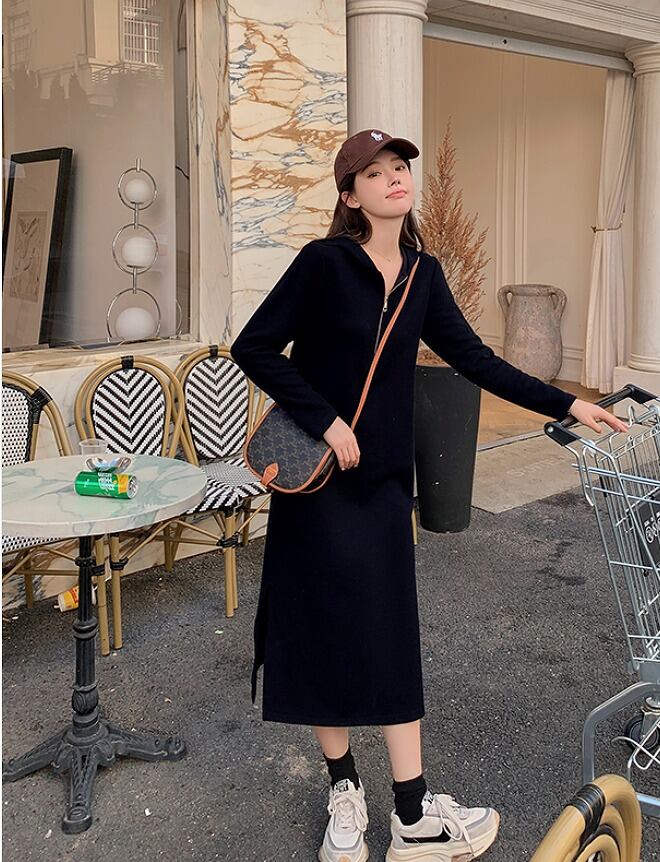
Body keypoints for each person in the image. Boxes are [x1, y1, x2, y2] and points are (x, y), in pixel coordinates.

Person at [230, 129, 628, 862]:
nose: (394, 179)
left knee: (388, 636)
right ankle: (344, 790)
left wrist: (568, 403)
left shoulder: (423, 273)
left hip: (383, 485)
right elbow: (252, 346)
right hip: (318, 483)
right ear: (350, 195)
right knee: (317, 631)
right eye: (375, 173)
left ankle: (412, 815)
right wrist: (326, 420)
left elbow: (474, 358)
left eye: (399, 168)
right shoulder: (322, 263)